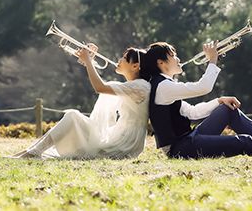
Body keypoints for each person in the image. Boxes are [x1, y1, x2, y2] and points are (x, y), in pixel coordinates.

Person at [141, 40, 252, 159]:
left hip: (188, 140)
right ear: (161, 63)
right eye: (173, 56)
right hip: (180, 149)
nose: (178, 59)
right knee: (242, 142)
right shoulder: (163, 86)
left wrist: (219, 100)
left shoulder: (165, 85)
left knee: (228, 109)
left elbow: (192, 112)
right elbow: (203, 87)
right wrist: (212, 61)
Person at [8, 45, 150, 160]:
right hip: (123, 137)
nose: (119, 60)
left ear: (135, 66)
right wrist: (90, 62)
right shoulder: (133, 85)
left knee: (73, 116)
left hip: (126, 144)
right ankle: (30, 151)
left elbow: (100, 87)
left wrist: (88, 62)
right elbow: (104, 86)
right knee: (73, 116)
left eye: (125, 58)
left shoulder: (140, 86)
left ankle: (32, 153)